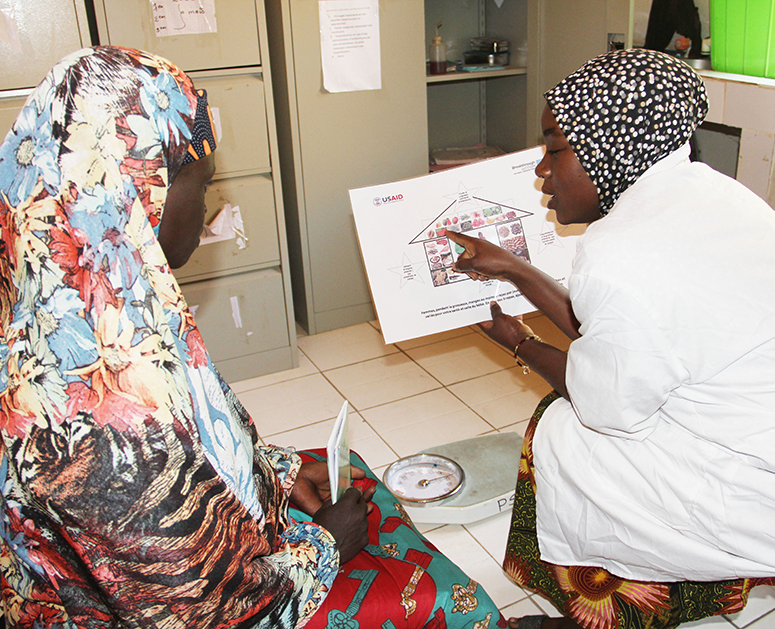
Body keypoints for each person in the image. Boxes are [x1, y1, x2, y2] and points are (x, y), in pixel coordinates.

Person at [0, 46, 505, 629]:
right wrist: (328, 549)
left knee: (346, 477)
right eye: (201, 183)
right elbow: (207, 614)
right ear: (139, 192)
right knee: (451, 604)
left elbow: (195, 450)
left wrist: (274, 472)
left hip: (182, 568)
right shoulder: (104, 413)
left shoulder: (78, 303)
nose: (210, 202)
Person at [446, 48, 775, 629]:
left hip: (746, 481)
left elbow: (603, 405)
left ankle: (596, 613)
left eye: (553, 148)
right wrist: (519, 271)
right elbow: (621, 332)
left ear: (609, 145)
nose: (541, 170)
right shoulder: (712, 194)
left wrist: (521, 345)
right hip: (754, 432)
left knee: (560, 433)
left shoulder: (619, 251)